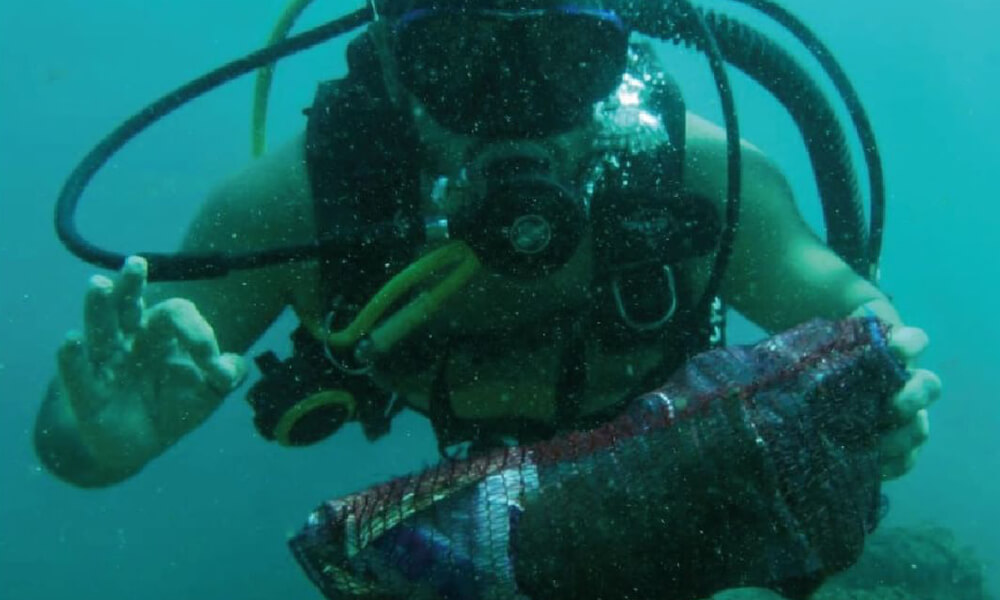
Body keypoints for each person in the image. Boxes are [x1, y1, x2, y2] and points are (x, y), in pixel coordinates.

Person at [35, 0, 940, 503]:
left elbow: (837, 299)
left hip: (671, 486)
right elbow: (82, 449)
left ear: (620, 50)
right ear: (389, 56)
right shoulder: (295, 204)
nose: (514, 103)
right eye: (459, 56)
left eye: (564, 59)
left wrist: (877, 378)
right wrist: (104, 439)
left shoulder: (694, 176)